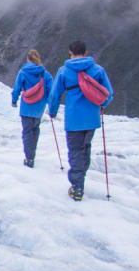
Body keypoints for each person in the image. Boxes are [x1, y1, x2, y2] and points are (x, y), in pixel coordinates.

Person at [48, 40, 114, 201]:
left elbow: (55, 94)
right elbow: (108, 94)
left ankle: (77, 187)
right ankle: (80, 177)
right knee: (85, 148)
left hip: (73, 118)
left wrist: (52, 111)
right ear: (85, 52)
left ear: (70, 53)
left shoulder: (64, 71)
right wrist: (102, 105)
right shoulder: (98, 70)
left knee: (75, 151)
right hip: (92, 118)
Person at [11, 49, 52, 168]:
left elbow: (17, 88)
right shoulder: (45, 74)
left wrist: (14, 100)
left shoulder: (23, 72)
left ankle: (29, 158)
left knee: (27, 132)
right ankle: (32, 153)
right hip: (39, 107)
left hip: (26, 107)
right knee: (35, 130)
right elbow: (51, 91)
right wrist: (51, 106)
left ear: (28, 59)